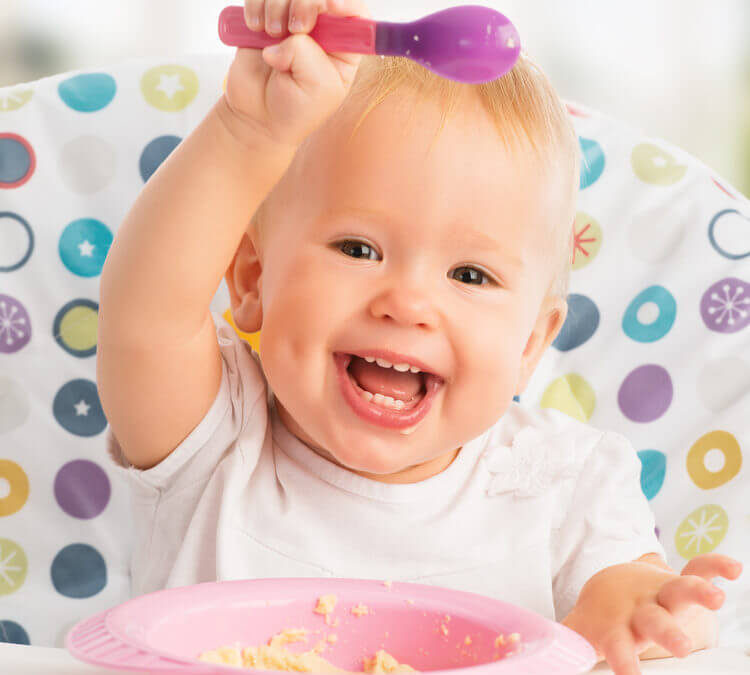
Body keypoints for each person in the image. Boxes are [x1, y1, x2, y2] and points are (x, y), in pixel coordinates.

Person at [96, 1, 742, 673]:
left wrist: (644, 611)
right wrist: (247, 130)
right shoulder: (216, 433)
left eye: (470, 273)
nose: (407, 303)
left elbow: (642, 604)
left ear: (530, 345)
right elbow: (146, 317)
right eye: (357, 247)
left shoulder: (566, 483)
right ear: (253, 279)